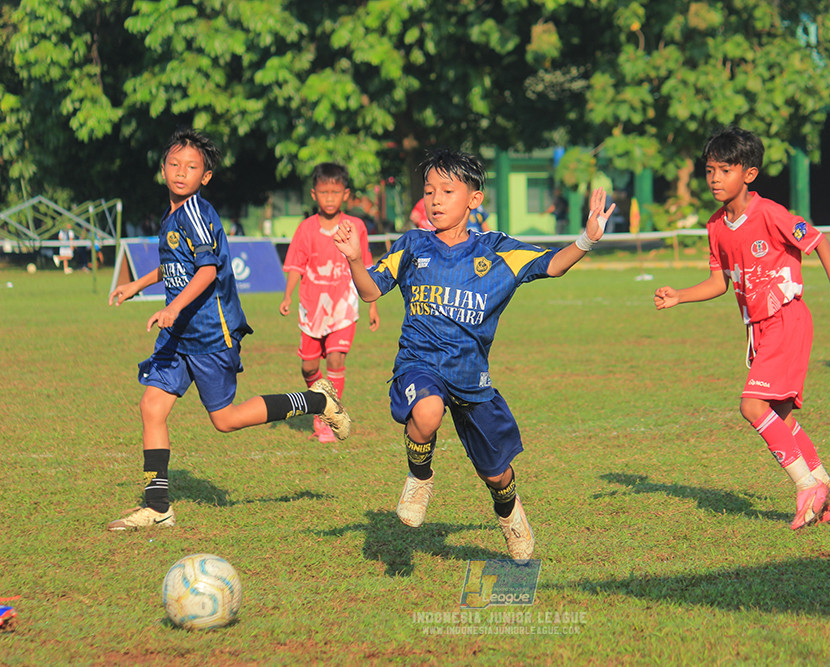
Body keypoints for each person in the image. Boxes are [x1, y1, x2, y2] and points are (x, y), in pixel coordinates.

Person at [332, 148, 615, 562]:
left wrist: (587, 239)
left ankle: (509, 513)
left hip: (470, 376)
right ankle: (419, 478)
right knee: (426, 411)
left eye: (447, 191)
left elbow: (553, 265)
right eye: (429, 191)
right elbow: (371, 290)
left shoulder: (496, 250)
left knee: (496, 474)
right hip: (419, 363)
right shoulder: (412, 245)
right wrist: (356, 259)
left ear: (474, 199)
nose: (435, 200)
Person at [106, 129, 350, 531]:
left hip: (208, 334)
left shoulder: (196, 213)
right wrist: (138, 284)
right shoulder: (172, 213)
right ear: (163, 168)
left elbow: (206, 270)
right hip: (179, 335)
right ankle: (157, 507)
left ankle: (316, 401)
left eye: (191, 167)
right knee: (152, 407)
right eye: (174, 164)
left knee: (226, 419)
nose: (181, 172)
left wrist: (173, 307)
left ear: (205, 177)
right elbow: (176, 264)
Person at [654, 126, 830, 530]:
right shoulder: (716, 226)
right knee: (779, 417)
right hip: (759, 330)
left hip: (786, 318)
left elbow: (819, 241)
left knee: (751, 406)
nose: (715, 179)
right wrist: (680, 295)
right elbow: (719, 282)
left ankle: (807, 487)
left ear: (748, 174)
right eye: (710, 170)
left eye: (725, 170)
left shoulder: (770, 213)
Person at [279, 163, 380, 442]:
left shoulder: (355, 227)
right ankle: (320, 401)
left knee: (336, 358)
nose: (330, 198)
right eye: (324, 192)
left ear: (345, 194)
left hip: (343, 306)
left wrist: (372, 305)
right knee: (309, 368)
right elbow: (296, 266)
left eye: (335, 192)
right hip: (312, 308)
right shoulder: (306, 229)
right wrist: (288, 295)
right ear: (314, 194)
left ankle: (328, 418)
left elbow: (366, 266)